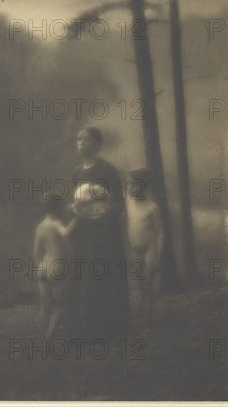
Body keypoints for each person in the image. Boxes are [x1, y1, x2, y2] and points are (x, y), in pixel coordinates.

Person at [66, 126, 129, 340]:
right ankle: (82, 330)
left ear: (97, 144)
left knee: (100, 278)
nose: (81, 143)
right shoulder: (75, 173)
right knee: (79, 278)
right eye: (78, 139)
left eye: (86, 139)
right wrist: (75, 209)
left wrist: (103, 214)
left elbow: (119, 202)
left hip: (103, 233)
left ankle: (107, 328)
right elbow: (73, 202)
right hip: (82, 233)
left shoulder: (107, 170)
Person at [125, 167, 164, 322]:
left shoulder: (152, 207)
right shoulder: (128, 202)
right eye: (128, 184)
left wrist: (158, 254)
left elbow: (160, 232)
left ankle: (149, 317)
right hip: (135, 248)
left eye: (132, 184)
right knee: (139, 284)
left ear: (142, 186)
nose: (129, 187)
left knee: (148, 282)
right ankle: (142, 315)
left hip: (149, 248)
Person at [33, 195, 70, 340]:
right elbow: (66, 233)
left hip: (43, 265)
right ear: (57, 207)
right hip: (57, 265)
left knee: (45, 304)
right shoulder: (56, 223)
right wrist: (78, 219)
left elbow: (36, 251)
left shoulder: (41, 226)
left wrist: (38, 265)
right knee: (61, 306)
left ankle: (43, 336)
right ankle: (48, 340)